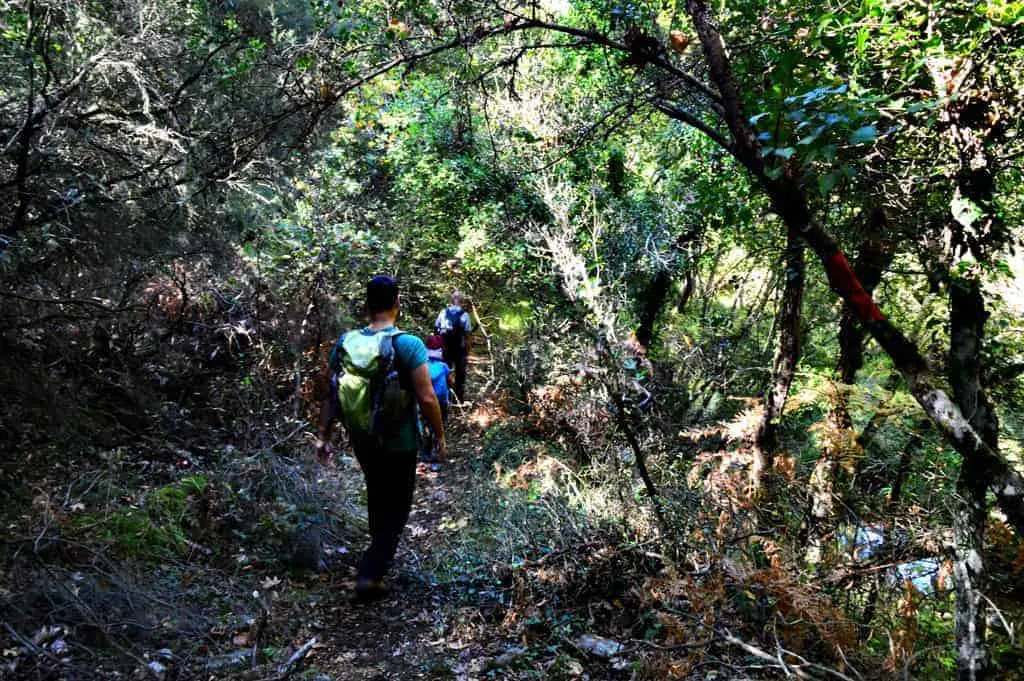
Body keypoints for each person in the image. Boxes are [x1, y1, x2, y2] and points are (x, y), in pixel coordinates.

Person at [316, 275, 447, 601]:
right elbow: (428, 397)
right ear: (397, 303)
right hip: (400, 442)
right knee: (398, 508)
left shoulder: (345, 342)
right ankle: (370, 573)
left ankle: (378, 551)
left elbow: (329, 394)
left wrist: (323, 436)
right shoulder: (408, 344)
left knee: (377, 493)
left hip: (362, 438)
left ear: (366, 304)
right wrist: (440, 437)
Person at [420, 335, 454, 464]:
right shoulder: (443, 366)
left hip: (424, 401)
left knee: (426, 424)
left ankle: (426, 452)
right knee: (439, 425)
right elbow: (451, 383)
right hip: (441, 402)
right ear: (441, 349)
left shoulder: (421, 366)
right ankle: (436, 455)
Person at [434, 291, 472, 403]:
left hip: (445, 348)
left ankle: (444, 397)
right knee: (460, 374)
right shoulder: (464, 315)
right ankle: (459, 398)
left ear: (451, 300)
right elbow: (468, 335)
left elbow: (436, 329)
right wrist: (468, 351)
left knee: (444, 371)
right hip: (459, 349)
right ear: (462, 301)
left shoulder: (443, 313)